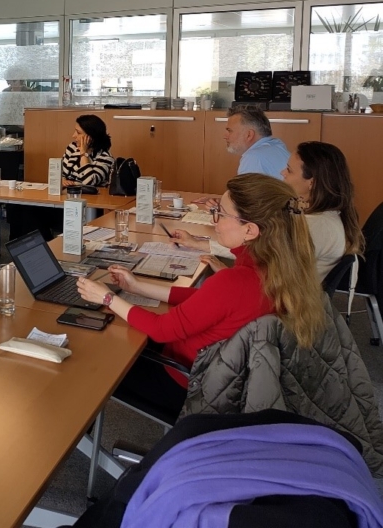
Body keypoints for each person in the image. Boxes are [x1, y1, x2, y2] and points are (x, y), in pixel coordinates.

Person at [76, 173, 325, 420]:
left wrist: (107, 298)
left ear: (249, 230)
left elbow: (161, 329)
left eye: (221, 214)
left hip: (185, 382)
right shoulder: (278, 270)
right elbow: (205, 299)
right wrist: (137, 287)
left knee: (95, 355)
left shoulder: (236, 281)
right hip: (221, 379)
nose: (214, 221)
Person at [7, 115, 114, 240]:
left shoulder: (105, 157)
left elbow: (90, 182)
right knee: (19, 209)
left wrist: (83, 154)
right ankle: (34, 247)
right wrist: (62, 180)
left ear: (90, 137)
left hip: (86, 209)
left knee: (30, 215)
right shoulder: (71, 149)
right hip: (63, 202)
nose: (73, 136)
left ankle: (46, 246)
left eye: (78, 133)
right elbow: (62, 174)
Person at [282, 141, 365, 282]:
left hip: (290, 291)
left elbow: (277, 267)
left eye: (289, 170)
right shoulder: (328, 214)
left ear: (312, 183)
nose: (282, 173)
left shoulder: (317, 225)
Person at [223, 104, 290, 178]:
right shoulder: (278, 146)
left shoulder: (253, 158)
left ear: (249, 135)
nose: (225, 137)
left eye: (230, 131)